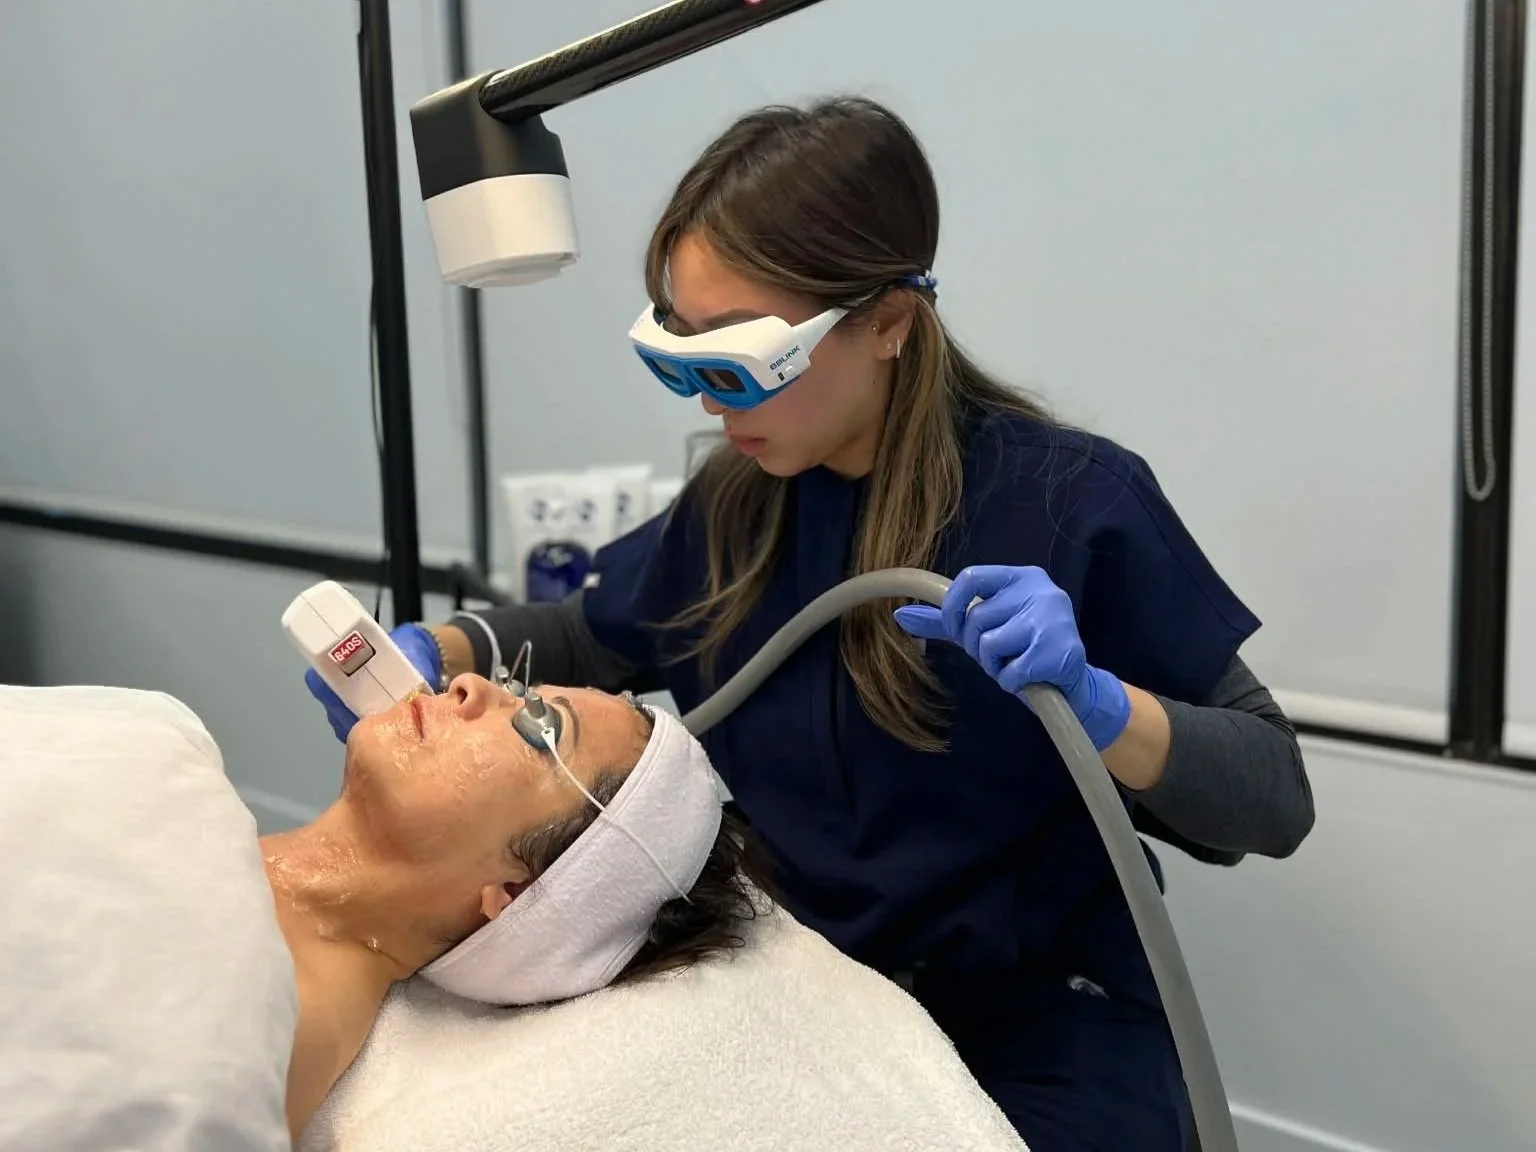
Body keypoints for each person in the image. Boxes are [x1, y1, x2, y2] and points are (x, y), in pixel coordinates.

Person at [307, 96, 1314, 1150]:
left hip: (1046, 1016)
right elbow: (594, 634)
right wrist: (440, 649)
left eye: (740, 366)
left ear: (888, 322)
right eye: (681, 358)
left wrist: (1105, 707)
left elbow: (1272, 799)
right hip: (814, 988)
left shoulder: (1072, 506)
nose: (710, 405)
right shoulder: (733, 504)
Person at [270, 672, 764, 1141]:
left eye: (538, 727)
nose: (469, 686)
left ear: (516, 895)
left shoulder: (280, 1022)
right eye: (517, 688)